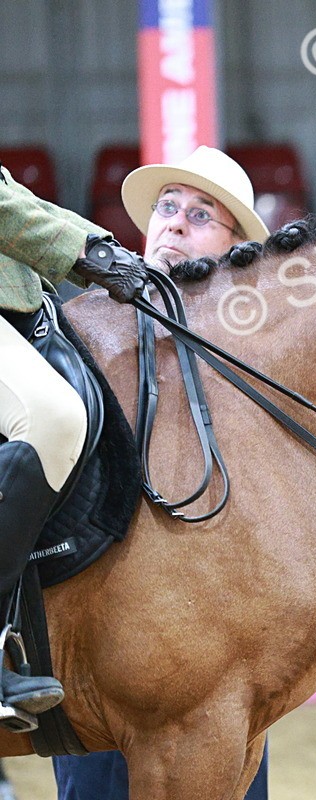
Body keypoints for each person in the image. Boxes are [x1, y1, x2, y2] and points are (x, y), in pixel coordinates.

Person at [49, 145, 270, 800]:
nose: (174, 222)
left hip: (225, 643)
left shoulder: (256, 354)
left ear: (232, 245)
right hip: (108, 635)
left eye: (201, 213)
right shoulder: (85, 326)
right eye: (168, 207)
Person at [0, 163, 150, 715]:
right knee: (52, 417)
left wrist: (105, 247)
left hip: (23, 311)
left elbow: (11, 196)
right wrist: (85, 251)